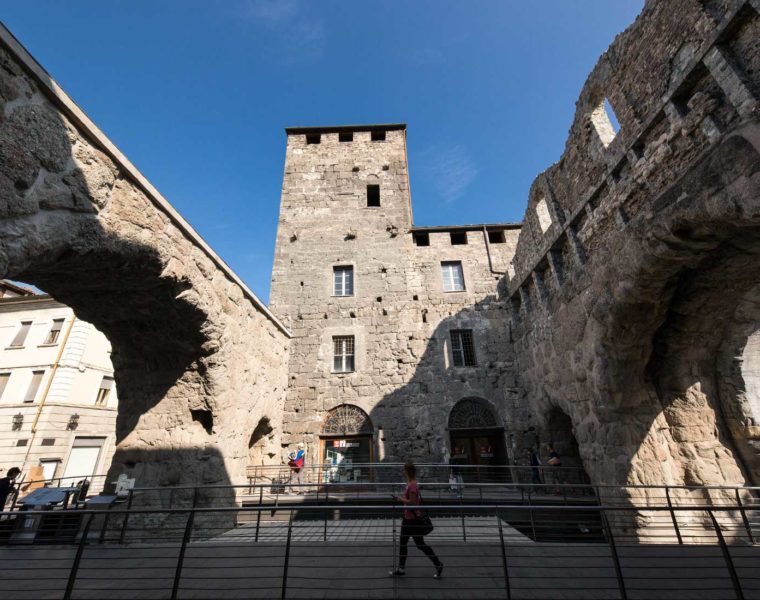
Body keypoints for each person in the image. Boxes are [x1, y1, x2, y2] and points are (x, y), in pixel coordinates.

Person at [390, 461, 443, 578]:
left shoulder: (413, 485)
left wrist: (400, 499)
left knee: (416, 544)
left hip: (412, 520)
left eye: (404, 469)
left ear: (407, 471)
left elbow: (413, 503)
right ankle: (402, 568)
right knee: (412, 544)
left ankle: (438, 564)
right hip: (408, 518)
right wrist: (403, 498)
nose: (402, 471)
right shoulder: (410, 484)